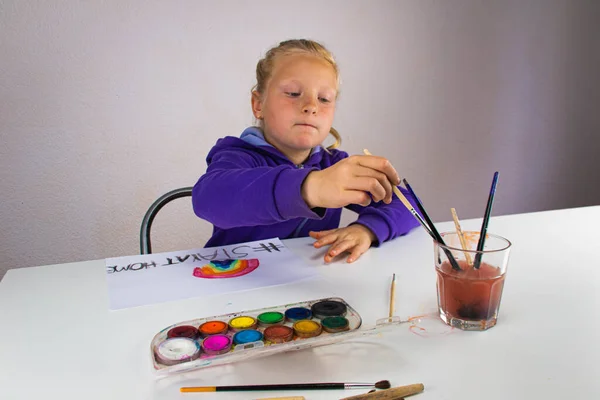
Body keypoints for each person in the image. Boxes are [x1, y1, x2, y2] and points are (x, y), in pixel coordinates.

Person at [193, 39, 418, 263]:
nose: (311, 106)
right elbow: (207, 199)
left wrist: (367, 229)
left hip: (306, 285)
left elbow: (409, 203)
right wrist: (310, 187)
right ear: (258, 104)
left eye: (324, 99)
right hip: (231, 282)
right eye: (292, 93)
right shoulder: (237, 155)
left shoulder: (333, 164)